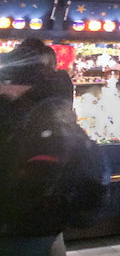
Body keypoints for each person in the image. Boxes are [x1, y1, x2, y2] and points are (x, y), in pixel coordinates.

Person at [0, 39, 105, 256]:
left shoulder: (34, 116)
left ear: (19, 81)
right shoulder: (48, 108)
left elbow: (32, 179)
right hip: (43, 225)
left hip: (23, 228)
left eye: (4, 79)